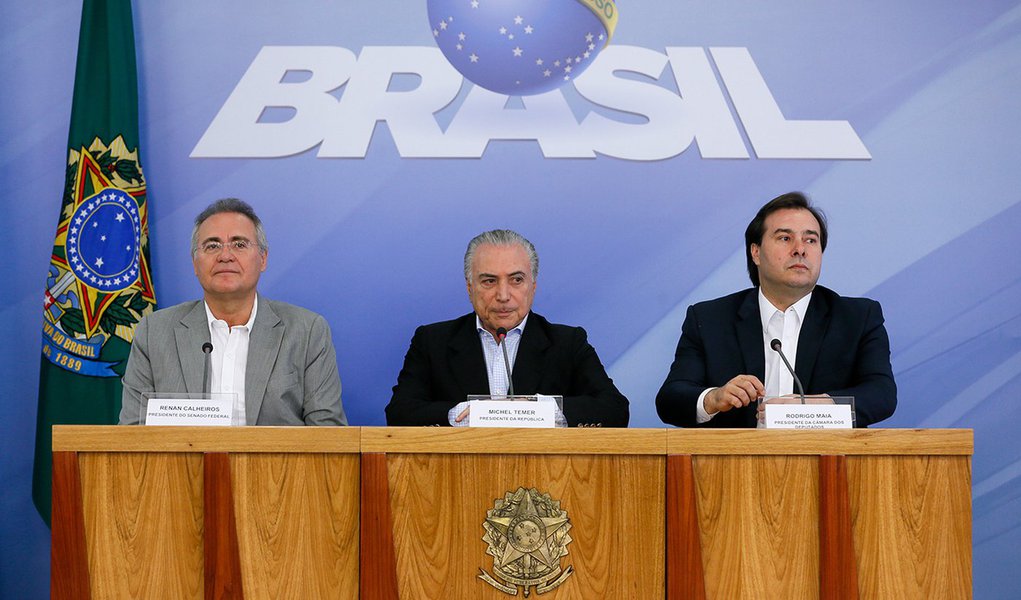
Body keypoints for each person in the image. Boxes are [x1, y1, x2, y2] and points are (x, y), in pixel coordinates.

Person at [656, 192, 896, 428]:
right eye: (785, 238)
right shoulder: (710, 319)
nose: (800, 249)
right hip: (735, 463)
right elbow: (671, 399)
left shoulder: (857, 317)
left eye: (811, 240)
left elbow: (881, 394)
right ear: (756, 252)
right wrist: (714, 398)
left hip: (828, 461)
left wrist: (822, 406)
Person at [119, 198, 346, 425]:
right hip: (182, 461)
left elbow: (328, 434)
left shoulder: (307, 332)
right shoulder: (155, 333)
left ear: (263, 259)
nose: (225, 255)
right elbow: (132, 433)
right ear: (195, 263)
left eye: (239, 244)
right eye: (212, 245)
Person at [386, 229, 629, 427]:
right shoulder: (432, 341)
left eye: (516, 280)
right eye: (489, 281)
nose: (503, 295)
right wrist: (460, 414)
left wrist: (544, 410)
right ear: (470, 287)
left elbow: (614, 409)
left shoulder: (567, 342)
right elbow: (400, 412)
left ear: (532, 286)